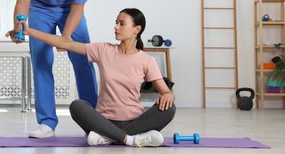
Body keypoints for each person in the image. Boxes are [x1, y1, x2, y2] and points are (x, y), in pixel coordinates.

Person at [18, 8, 176, 147]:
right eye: (116, 23)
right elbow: (66, 44)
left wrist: (168, 95)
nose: (116, 27)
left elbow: (166, 92)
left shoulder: (146, 60)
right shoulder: (103, 50)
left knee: (170, 108)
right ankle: (131, 140)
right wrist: (29, 31)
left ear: (137, 29)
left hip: (135, 121)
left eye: (122, 23)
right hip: (103, 121)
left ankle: (110, 137)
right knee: (77, 106)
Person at [5, 0, 98, 138]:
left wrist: (65, 37)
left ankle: (93, 122)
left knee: (83, 58)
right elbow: (23, 0)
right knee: (41, 61)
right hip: (39, 8)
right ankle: (47, 123)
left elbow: (77, 7)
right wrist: (18, 28)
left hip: (70, 11)